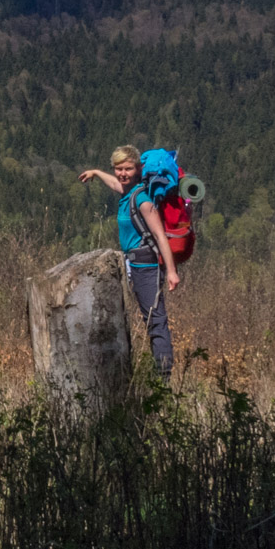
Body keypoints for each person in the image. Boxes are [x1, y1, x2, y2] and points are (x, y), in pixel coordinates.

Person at [78, 145, 179, 378]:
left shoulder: (141, 199)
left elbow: (160, 237)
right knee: (135, 319)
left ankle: (163, 378)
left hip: (146, 267)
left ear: (138, 169)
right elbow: (115, 184)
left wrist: (172, 271)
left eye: (128, 168)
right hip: (130, 266)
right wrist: (95, 172)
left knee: (155, 320)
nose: (122, 173)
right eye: (118, 168)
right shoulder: (127, 192)